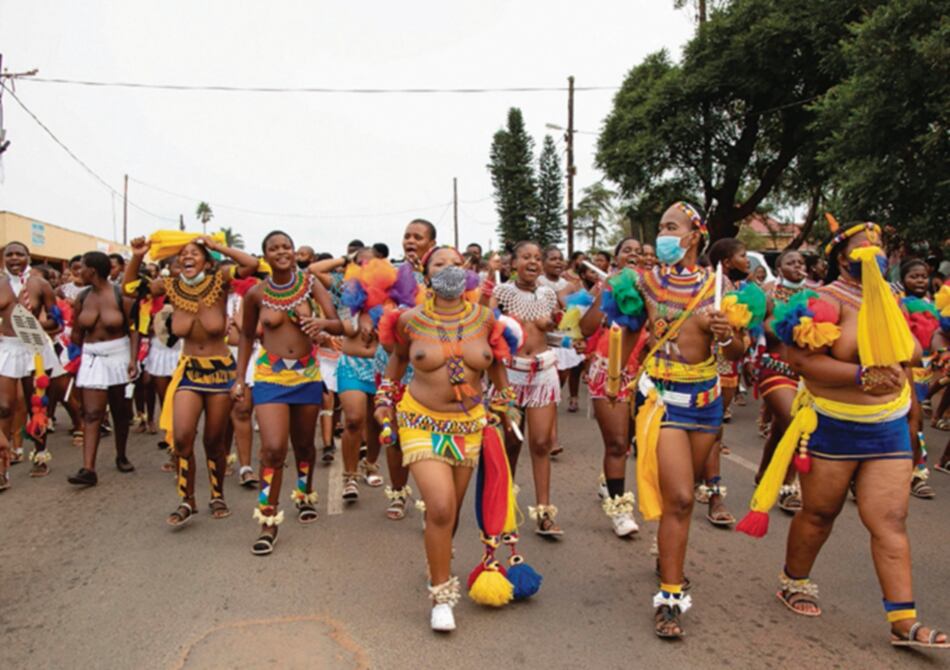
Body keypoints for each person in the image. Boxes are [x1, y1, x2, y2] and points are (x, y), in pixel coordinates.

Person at [738, 221, 947, 650]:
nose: (874, 251)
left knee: (889, 520)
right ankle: (794, 581)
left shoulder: (893, 298)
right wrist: (860, 375)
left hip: (887, 428)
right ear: (840, 257)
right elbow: (800, 361)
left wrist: (910, 413)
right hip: (833, 424)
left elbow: (908, 359)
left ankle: (903, 620)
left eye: (879, 245)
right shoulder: (822, 300)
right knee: (819, 513)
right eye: (862, 245)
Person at [374, 246, 512, 632]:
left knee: (449, 515)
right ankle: (441, 597)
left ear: (465, 270)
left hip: (468, 426)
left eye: (455, 263)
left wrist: (505, 401)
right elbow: (398, 361)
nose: (449, 269)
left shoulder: (485, 319)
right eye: (440, 263)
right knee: (438, 506)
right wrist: (385, 399)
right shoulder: (408, 321)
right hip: (420, 421)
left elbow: (497, 365)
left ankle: (438, 557)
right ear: (424, 271)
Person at [630, 202, 747, 638]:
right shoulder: (644, 283)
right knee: (678, 498)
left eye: (671, 227)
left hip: (707, 403)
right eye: (660, 226)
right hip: (663, 401)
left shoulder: (719, 287)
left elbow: (737, 353)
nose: (663, 233)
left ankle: (668, 554)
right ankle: (670, 598)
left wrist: (727, 335)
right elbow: (619, 328)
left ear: (695, 235)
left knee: (688, 496)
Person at [126, 234, 259, 524]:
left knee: (214, 440)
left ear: (206, 261)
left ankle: (217, 495)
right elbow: (130, 287)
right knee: (183, 437)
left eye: (195, 253)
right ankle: (187, 500)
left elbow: (251, 264)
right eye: (183, 253)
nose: (187, 257)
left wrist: (216, 246)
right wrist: (138, 256)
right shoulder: (170, 286)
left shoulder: (220, 280)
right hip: (188, 370)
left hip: (221, 371)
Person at [235, 231, 341, 555]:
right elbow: (244, 337)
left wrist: (319, 324)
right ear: (265, 255)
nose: (282, 252)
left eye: (287, 247)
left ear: (295, 253)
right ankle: (268, 520)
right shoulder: (256, 294)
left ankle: (304, 493)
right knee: (273, 448)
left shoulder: (311, 285)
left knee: (305, 445)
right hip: (269, 376)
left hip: (307, 374)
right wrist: (240, 378)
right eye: (274, 248)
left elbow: (336, 324)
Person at [490, 241, 563, 537]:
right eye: (525, 257)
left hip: (543, 372)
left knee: (542, 443)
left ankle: (544, 512)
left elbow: (545, 324)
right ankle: (504, 508)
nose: (532, 262)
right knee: (511, 443)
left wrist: (555, 321)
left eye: (537, 257)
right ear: (513, 263)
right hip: (511, 375)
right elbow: (487, 324)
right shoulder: (501, 292)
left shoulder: (547, 293)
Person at [580, 236, 648, 537]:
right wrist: (605, 292)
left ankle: (608, 482)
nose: (634, 255)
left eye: (640, 251)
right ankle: (620, 509)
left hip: (650, 373)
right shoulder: (608, 285)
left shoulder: (659, 288)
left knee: (631, 442)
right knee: (618, 443)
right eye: (627, 251)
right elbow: (586, 328)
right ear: (616, 259)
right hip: (611, 369)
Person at [375, 218, 438, 520]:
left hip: (432, 369)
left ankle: (432, 499)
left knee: (431, 435)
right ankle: (399, 493)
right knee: (395, 434)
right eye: (407, 236)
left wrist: (424, 276)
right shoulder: (390, 274)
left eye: (418, 237)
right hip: (396, 362)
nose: (411, 241)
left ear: (432, 244)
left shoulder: (443, 275)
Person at [67, 251, 139, 487]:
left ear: (93, 271)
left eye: (82, 268)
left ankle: (121, 454)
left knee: (121, 411)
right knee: (92, 413)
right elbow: (77, 333)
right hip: (91, 357)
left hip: (118, 354)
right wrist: (73, 360)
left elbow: (134, 330)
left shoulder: (121, 296)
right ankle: (88, 468)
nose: (78, 273)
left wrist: (133, 359)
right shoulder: (82, 297)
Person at [693, 237, 751, 527]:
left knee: (713, 431)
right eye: (743, 255)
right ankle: (704, 487)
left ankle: (711, 491)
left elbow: (735, 334)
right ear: (726, 261)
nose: (748, 259)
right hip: (692, 368)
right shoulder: (709, 282)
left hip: (720, 364)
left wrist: (734, 337)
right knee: (706, 433)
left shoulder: (728, 285)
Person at [0, 243, 62, 483]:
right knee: (4, 407)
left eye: (20, 254)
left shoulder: (40, 285)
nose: (15, 258)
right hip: (6, 348)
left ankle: (39, 454)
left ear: (28, 258)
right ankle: (2, 464)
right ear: (3, 259)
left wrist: (33, 326)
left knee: (36, 404)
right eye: (9, 254)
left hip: (34, 348)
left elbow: (57, 323)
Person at [755, 248, 809, 512]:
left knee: (781, 427)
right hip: (774, 367)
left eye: (801, 261)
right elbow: (764, 328)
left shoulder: (817, 296)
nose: (797, 265)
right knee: (793, 420)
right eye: (791, 261)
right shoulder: (768, 294)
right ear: (779, 269)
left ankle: (763, 473)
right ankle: (788, 484)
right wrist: (790, 322)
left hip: (807, 373)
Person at [336, 247, 390, 503]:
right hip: (351, 365)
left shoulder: (391, 297)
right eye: (360, 263)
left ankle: (370, 464)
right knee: (355, 419)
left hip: (379, 367)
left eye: (372, 263)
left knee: (377, 421)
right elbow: (346, 327)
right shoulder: (348, 294)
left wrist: (383, 329)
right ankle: (349, 475)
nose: (366, 267)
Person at [900, 258, 938, 499]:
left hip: (928, 368)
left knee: (914, 420)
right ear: (902, 280)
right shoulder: (900, 304)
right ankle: (917, 473)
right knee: (914, 420)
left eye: (923, 276)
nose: (920, 280)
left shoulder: (933, 304)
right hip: (908, 367)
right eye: (914, 276)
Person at [538, 246, 585, 421]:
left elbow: (577, 312)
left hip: (564, 336)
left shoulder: (570, 286)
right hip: (544, 337)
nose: (558, 262)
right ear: (543, 263)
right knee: (547, 374)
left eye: (560, 258)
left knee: (562, 374)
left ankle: (552, 403)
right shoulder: (536, 283)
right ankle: (544, 406)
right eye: (552, 258)